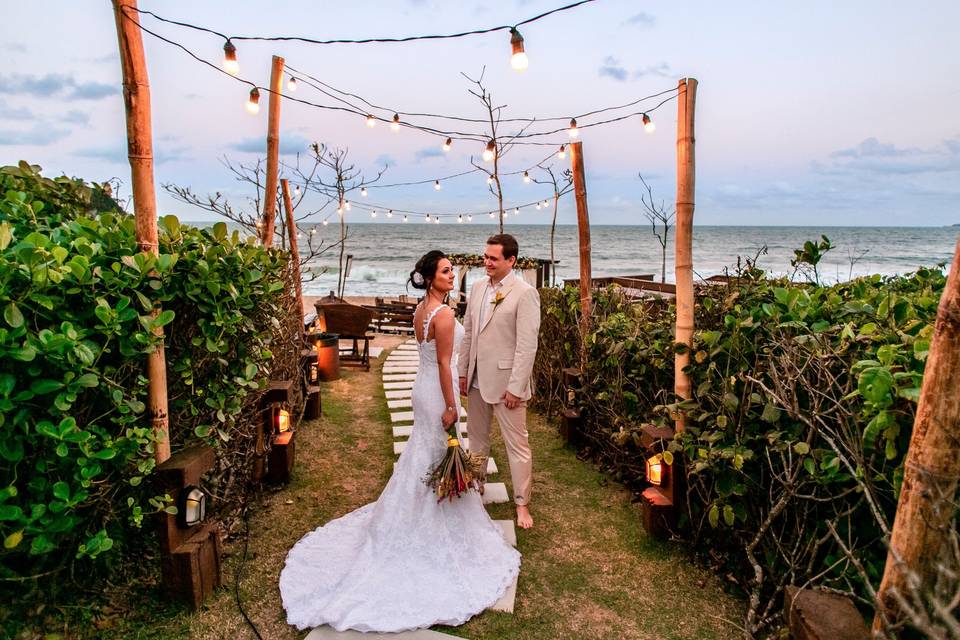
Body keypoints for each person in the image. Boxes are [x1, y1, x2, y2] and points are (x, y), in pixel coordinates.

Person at [279, 251, 520, 633]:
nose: (451, 273)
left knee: (423, 458)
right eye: (445, 271)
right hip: (437, 393)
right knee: (437, 456)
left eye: (450, 269)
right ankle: (435, 526)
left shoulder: (421, 311)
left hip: (419, 390)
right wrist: (450, 405)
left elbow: (430, 358)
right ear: (429, 277)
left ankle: (414, 511)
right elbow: (444, 363)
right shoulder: (442, 315)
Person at [458, 234, 541, 529]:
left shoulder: (524, 293)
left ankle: (522, 504)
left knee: (516, 446)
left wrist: (516, 387)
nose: (487, 262)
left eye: (493, 258)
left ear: (511, 261)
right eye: (486, 256)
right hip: (477, 380)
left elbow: (527, 345)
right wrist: (463, 371)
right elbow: (468, 333)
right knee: (476, 439)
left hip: (508, 385)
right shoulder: (478, 288)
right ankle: (476, 484)